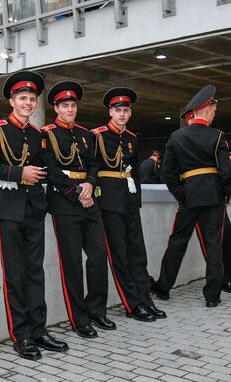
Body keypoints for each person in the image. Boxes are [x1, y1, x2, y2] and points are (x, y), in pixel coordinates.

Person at [0, 71, 68, 361]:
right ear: (12, 101)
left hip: (35, 207)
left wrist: (80, 188)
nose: (28, 102)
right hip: (8, 208)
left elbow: (51, 169)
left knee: (35, 271)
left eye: (31, 99)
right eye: (23, 98)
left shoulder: (40, 136)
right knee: (15, 274)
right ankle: (22, 335)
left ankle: (39, 329)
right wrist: (19, 172)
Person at [42, 81, 116, 339]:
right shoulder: (47, 134)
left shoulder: (86, 134)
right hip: (65, 203)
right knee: (72, 262)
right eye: (65, 106)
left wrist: (89, 184)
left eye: (73, 105)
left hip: (89, 197)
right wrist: (76, 193)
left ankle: (97, 310)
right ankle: (79, 317)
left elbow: (94, 164)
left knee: (98, 256)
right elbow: (50, 170)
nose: (70, 109)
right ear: (56, 107)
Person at [151, 85, 231, 308]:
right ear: (205, 109)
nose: (215, 112)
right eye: (213, 109)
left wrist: (181, 194)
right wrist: (225, 194)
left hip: (188, 196)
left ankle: (164, 287)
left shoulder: (177, 136)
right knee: (214, 244)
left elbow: (168, 172)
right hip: (214, 196)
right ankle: (213, 296)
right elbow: (225, 172)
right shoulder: (218, 136)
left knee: (177, 242)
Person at [90, 87, 166, 322]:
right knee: (120, 256)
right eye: (117, 110)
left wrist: (137, 200)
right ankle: (132, 304)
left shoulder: (132, 138)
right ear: (110, 112)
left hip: (129, 200)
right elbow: (91, 169)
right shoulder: (97, 135)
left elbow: (135, 174)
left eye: (125, 110)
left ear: (130, 113)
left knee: (138, 253)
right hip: (109, 202)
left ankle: (145, 299)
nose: (121, 114)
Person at [179, 109, 231, 294]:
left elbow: (223, 170)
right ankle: (222, 280)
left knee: (227, 238)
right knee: (211, 241)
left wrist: (225, 193)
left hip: (214, 196)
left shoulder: (211, 137)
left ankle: (230, 276)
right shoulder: (182, 140)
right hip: (195, 197)